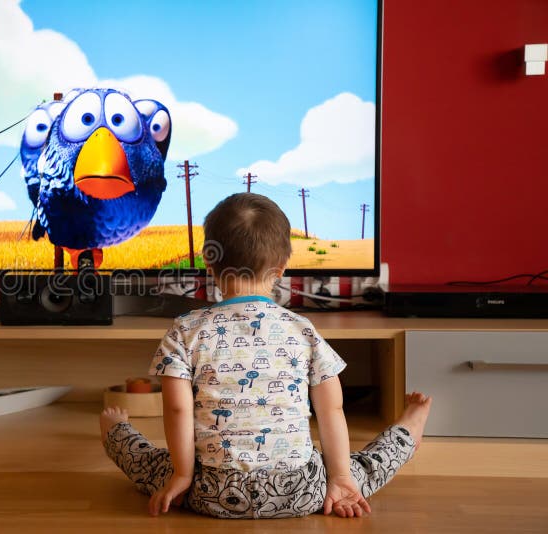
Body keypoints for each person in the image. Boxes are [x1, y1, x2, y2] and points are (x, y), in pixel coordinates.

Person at [100, 193, 432, 519]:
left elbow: (175, 408)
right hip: (301, 490)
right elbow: (332, 408)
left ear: (208, 261)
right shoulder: (303, 330)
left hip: (212, 492)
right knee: (360, 469)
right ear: (283, 267)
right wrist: (340, 478)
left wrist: (183, 476)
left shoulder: (185, 331)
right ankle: (406, 432)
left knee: (151, 463)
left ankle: (115, 429)